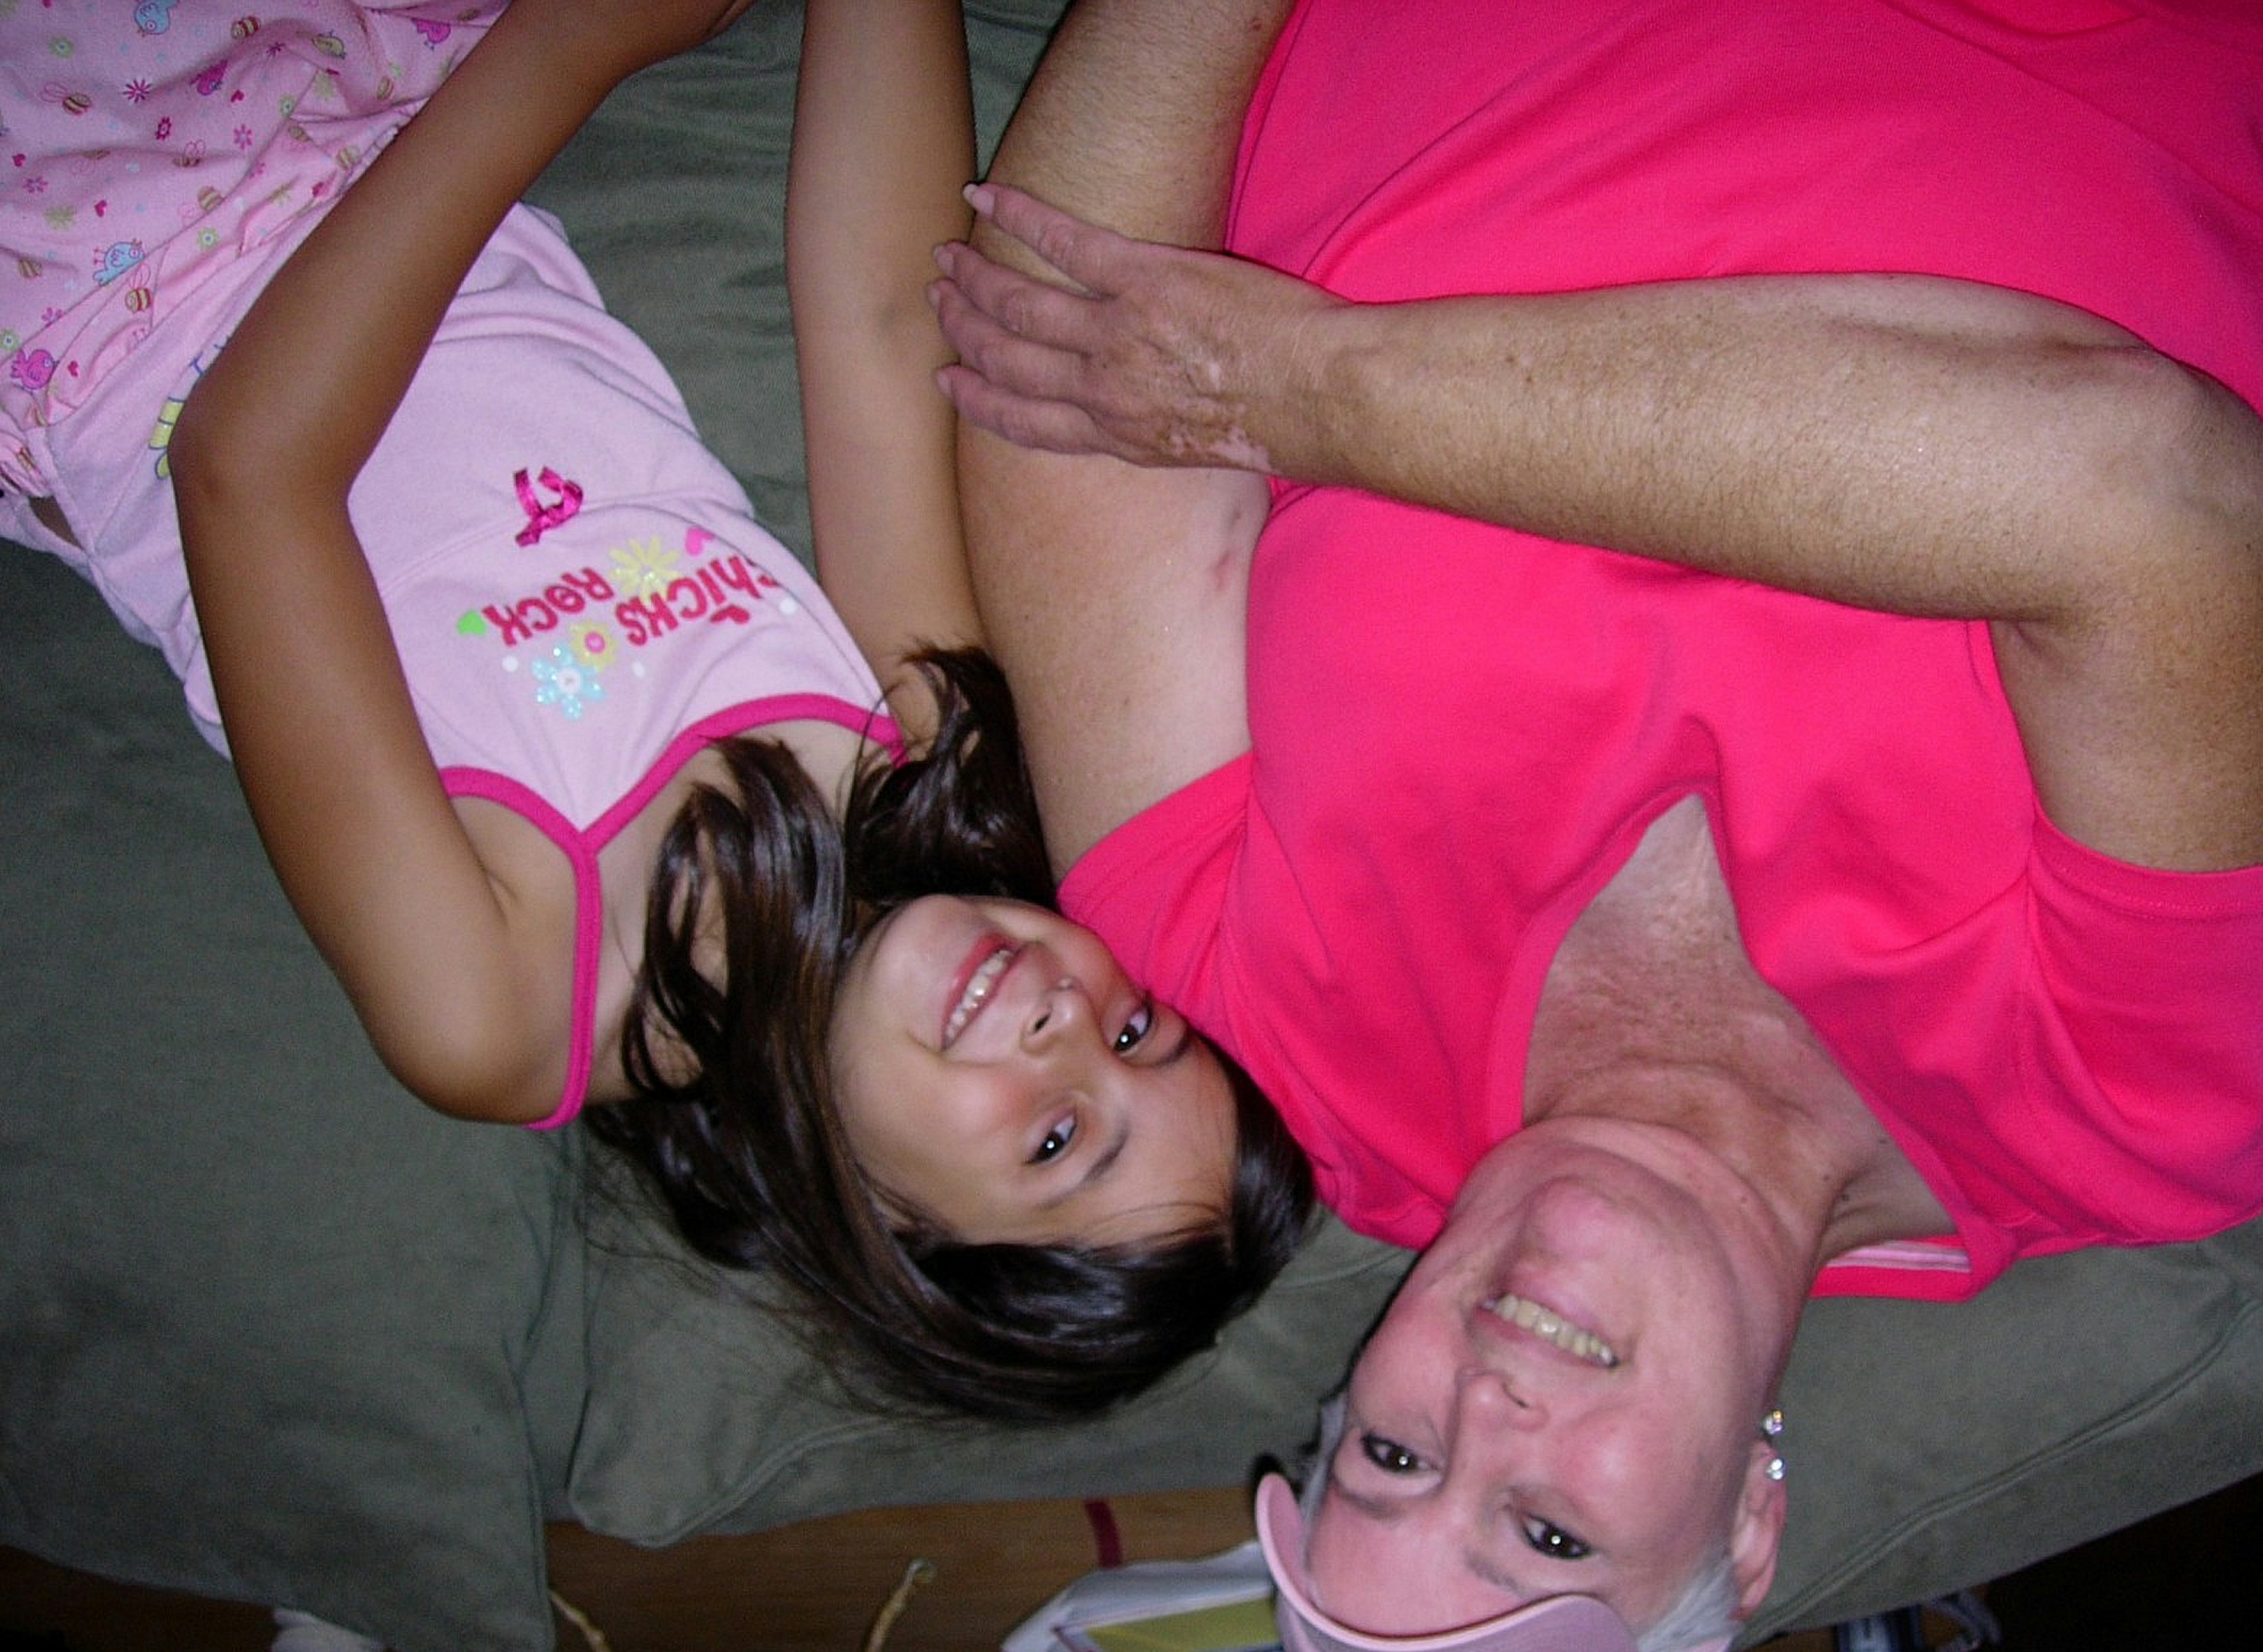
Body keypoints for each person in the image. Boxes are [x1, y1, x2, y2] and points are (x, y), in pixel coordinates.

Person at [930, 0, 2263, 1652]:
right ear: (1754, 1524)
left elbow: (1052, 361)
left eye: (1390, 1457)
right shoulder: (2133, 1110)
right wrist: (1308, 392)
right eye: (1549, 1533)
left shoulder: (1275, 1033)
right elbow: (2144, 498)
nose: (1483, 1408)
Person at [0, 0, 1313, 1422]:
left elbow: (249, 472)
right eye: (1138, 1033)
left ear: (897, 1240)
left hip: (98, 288)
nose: (1070, 1013)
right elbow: (886, 322)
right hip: (377, 98)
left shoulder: (501, 1012)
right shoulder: (910, 766)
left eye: (1056, 1140)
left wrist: (575, 47)